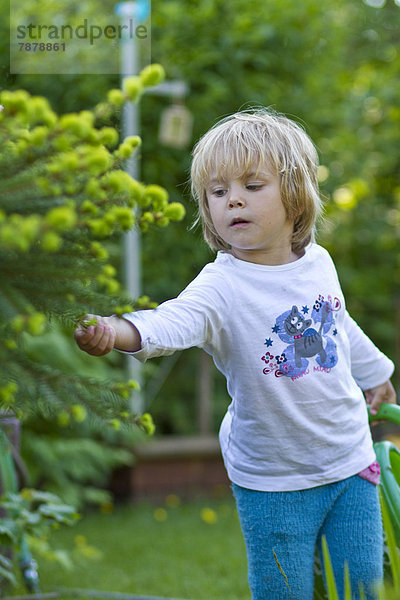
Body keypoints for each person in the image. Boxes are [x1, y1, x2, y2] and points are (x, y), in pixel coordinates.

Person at [74, 108, 396, 600]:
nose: (234, 200)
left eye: (252, 185)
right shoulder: (222, 285)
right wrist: (118, 330)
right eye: (218, 192)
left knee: (362, 590)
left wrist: (375, 374)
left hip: (349, 461)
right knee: (282, 591)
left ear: (295, 194)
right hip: (273, 479)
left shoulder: (318, 263)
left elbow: (338, 324)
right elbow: (170, 321)